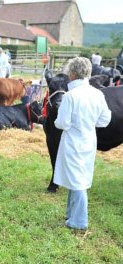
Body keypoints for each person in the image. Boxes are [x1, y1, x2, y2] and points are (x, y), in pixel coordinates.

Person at [53, 57, 111, 230]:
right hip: (89, 140)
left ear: (72, 73)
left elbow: (62, 123)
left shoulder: (70, 96)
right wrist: (89, 123)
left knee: (77, 182)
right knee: (78, 178)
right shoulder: (97, 93)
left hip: (73, 141)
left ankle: (80, 221)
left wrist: (58, 121)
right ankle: (71, 214)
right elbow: (105, 119)